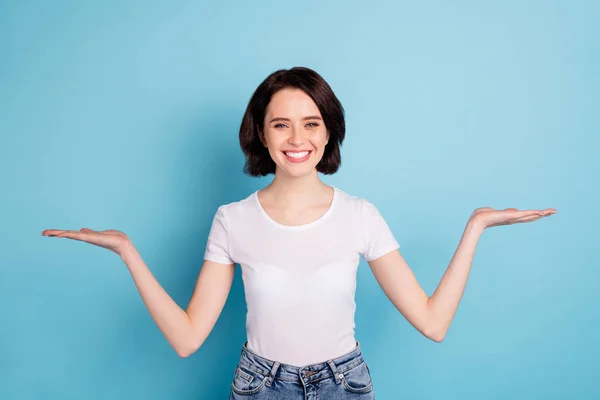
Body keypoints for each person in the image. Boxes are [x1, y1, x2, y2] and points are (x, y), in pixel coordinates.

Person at [41, 66, 556, 399]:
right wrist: (127, 251)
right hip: (259, 386)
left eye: (311, 123)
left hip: (343, 385)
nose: (297, 138)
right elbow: (186, 338)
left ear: (328, 130)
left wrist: (476, 228)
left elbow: (432, 322)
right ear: (261, 134)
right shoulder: (232, 220)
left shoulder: (360, 215)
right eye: (280, 123)